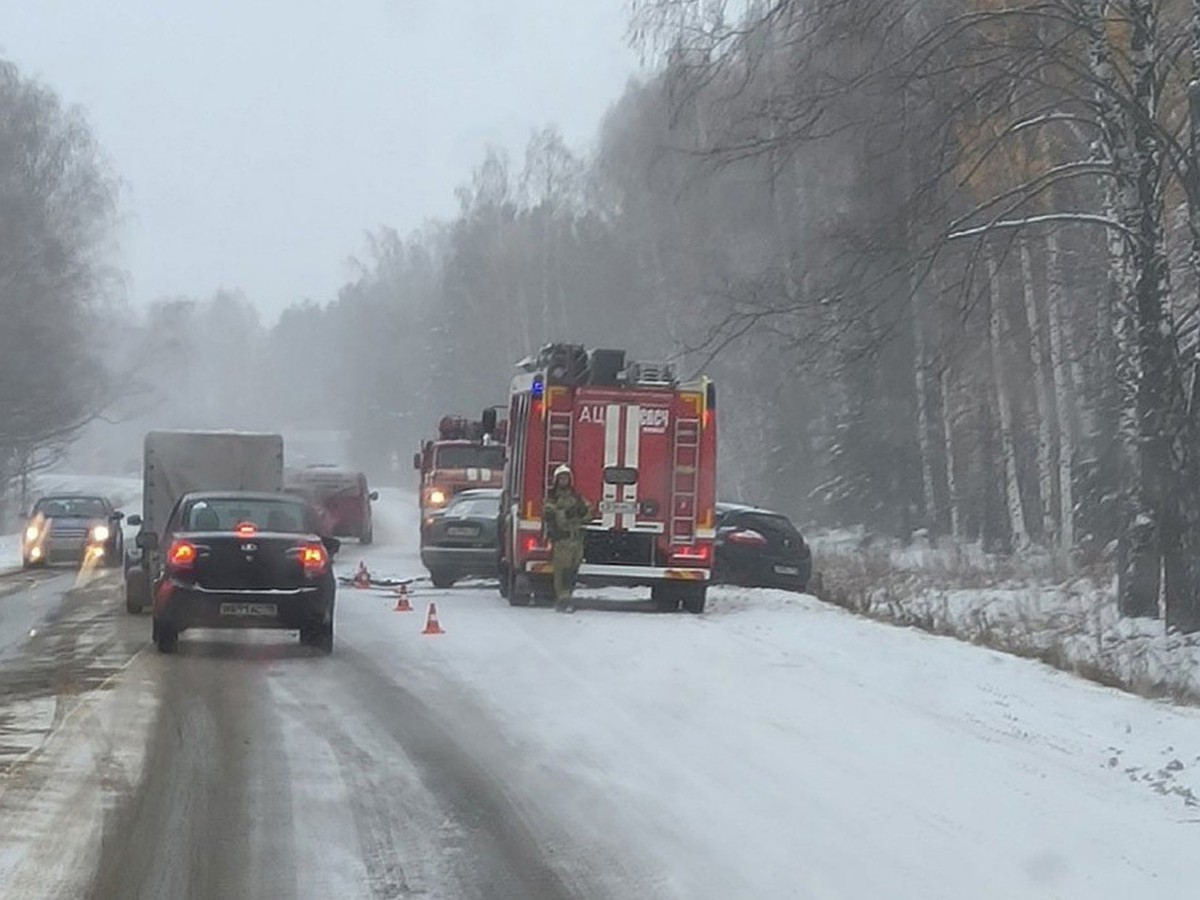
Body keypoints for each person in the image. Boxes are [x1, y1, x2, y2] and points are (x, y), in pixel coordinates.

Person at [543, 464, 592, 613]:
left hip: (576, 540)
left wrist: (582, 512)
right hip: (562, 540)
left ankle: (568, 595)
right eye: (561, 478)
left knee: (572, 571)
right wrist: (565, 513)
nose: (564, 481)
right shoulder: (552, 497)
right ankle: (562, 599)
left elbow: (588, 513)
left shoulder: (577, 497)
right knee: (562, 571)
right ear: (557, 480)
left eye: (566, 478)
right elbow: (549, 513)